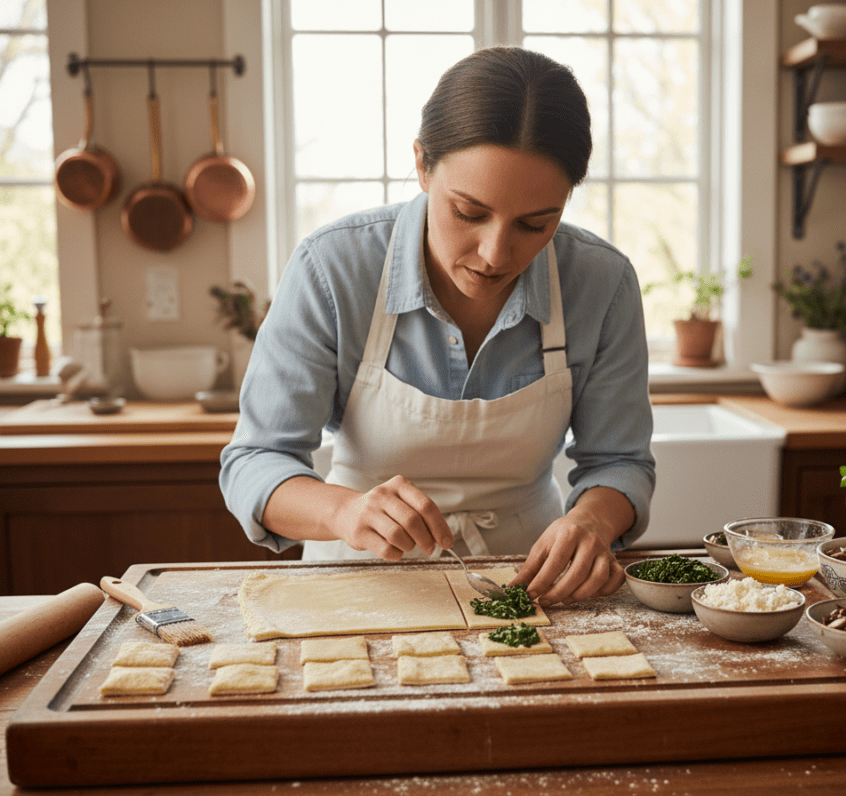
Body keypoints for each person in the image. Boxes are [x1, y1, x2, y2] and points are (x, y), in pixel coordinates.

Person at [220, 46, 654, 607]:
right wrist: (343, 509)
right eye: (469, 213)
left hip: (532, 586)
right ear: (423, 165)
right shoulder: (333, 269)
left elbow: (620, 461)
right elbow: (255, 460)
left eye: (535, 223)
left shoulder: (603, 282)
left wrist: (593, 521)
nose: (496, 253)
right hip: (357, 583)